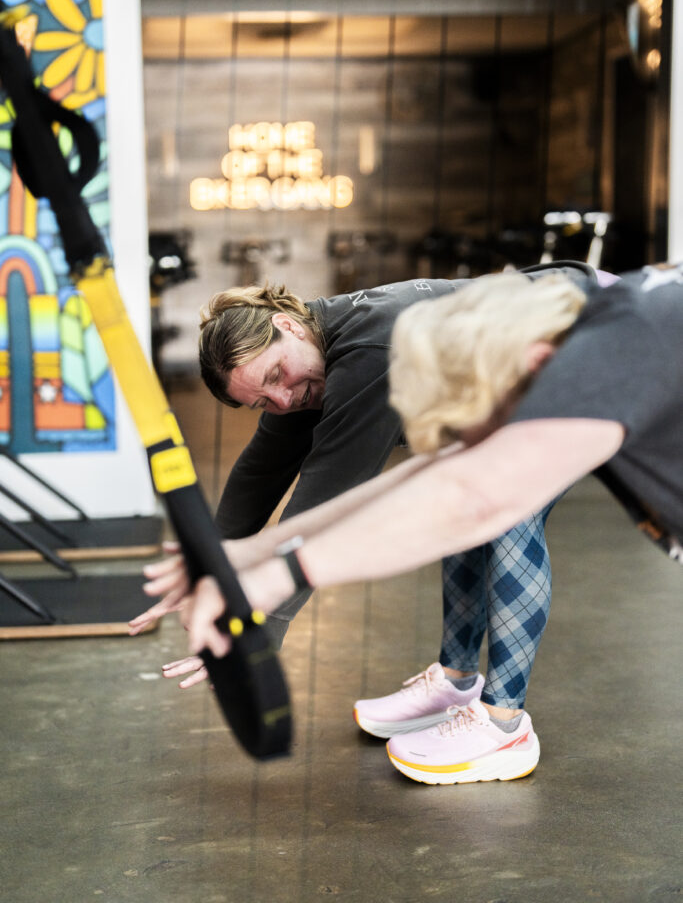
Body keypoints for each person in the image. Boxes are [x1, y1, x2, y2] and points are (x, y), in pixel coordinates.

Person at [144, 262, 681, 784]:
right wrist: (230, 558)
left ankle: (504, 726)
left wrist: (276, 584)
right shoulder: (579, 350)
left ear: (532, 362)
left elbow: (467, 494)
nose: (281, 401)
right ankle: (456, 682)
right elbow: (428, 475)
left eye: (467, 422)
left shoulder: (619, 346)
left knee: (505, 506)